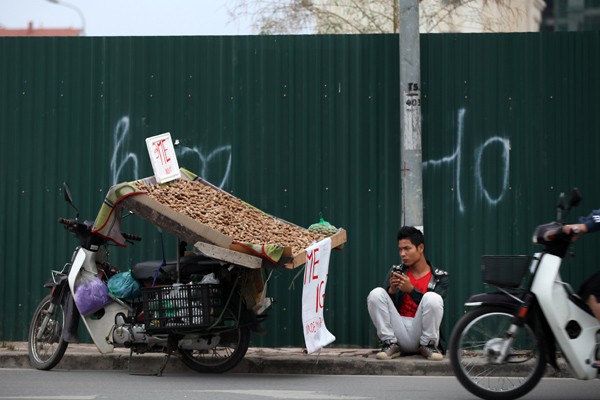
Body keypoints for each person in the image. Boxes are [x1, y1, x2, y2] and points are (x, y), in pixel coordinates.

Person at [366, 226, 449, 361]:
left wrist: (411, 290)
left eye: (407, 248)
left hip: (421, 333)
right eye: (400, 249)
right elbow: (383, 309)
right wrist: (392, 291)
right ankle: (389, 344)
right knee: (376, 294)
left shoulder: (440, 277)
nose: (402, 254)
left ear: (420, 248)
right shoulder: (397, 271)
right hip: (397, 332)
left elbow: (435, 309)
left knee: (433, 298)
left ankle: (429, 345)